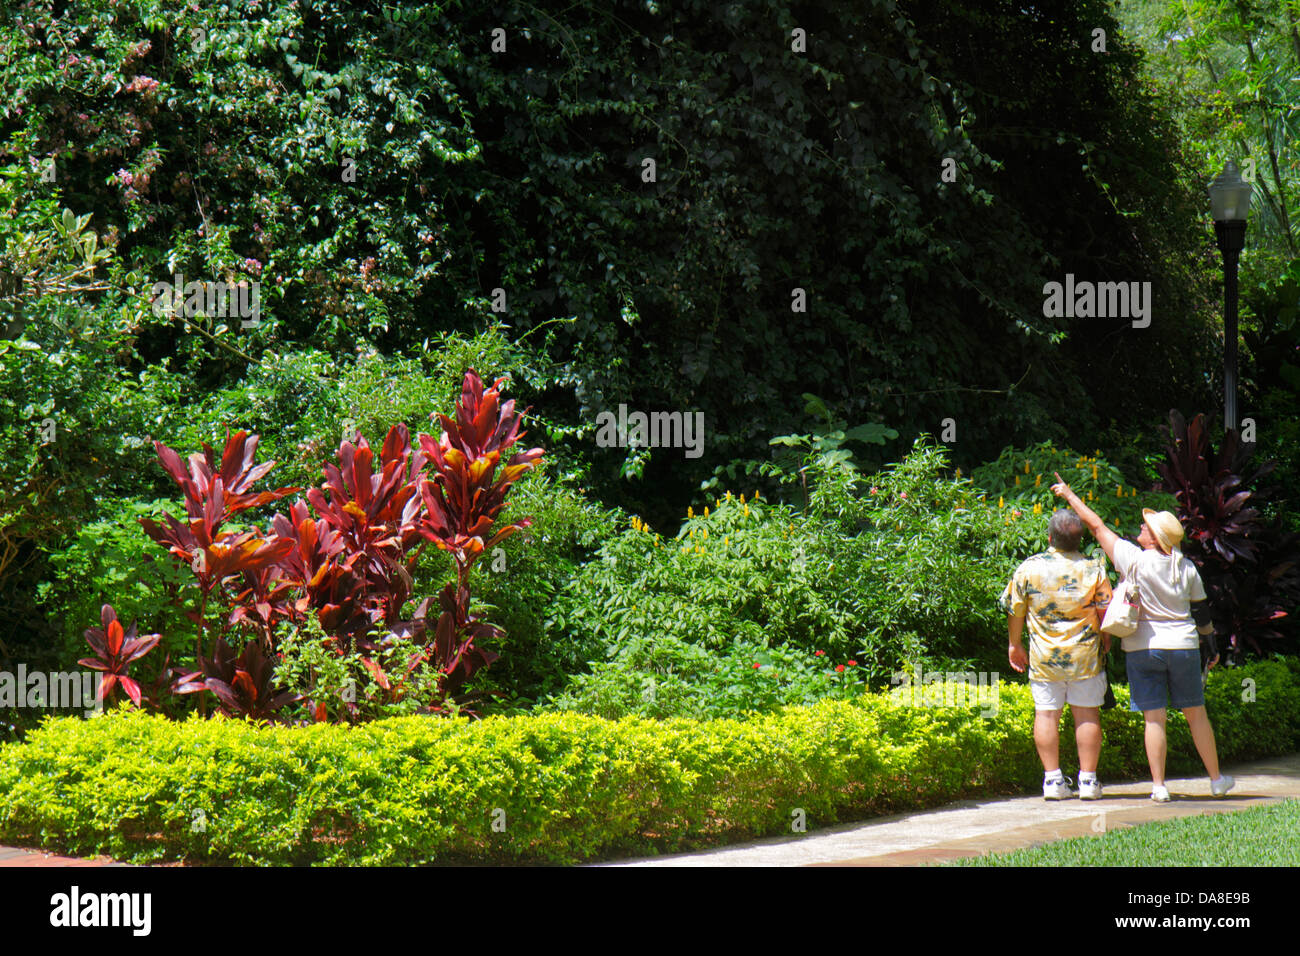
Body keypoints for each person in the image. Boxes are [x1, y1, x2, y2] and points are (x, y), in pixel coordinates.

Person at [1050, 472, 1234, 802]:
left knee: (1154, 718)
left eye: (1146, 528)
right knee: (1196, 714)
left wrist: (1068, 495)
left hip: (1143, 649)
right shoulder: (1186, 567)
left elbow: (1096, 527)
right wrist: (1211, 644)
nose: (1141, 529)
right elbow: (1202, 614)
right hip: (1182, 647)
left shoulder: (1132, 560)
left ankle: (1159, 787)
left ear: (1155, 539)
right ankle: (1217, 780)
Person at [1000, 509, 1113, 800]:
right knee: (1087, 714)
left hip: (1044, 658)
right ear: (1079, 539)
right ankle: (1088, 781)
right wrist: (1106, 640)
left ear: (1050, 538)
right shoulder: (1094, 568)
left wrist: (1015, 644)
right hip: (1086, 657)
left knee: (1047, 715)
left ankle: (1052, 781)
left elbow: (1014, 608)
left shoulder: (1029, 568)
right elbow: (1106, 610)